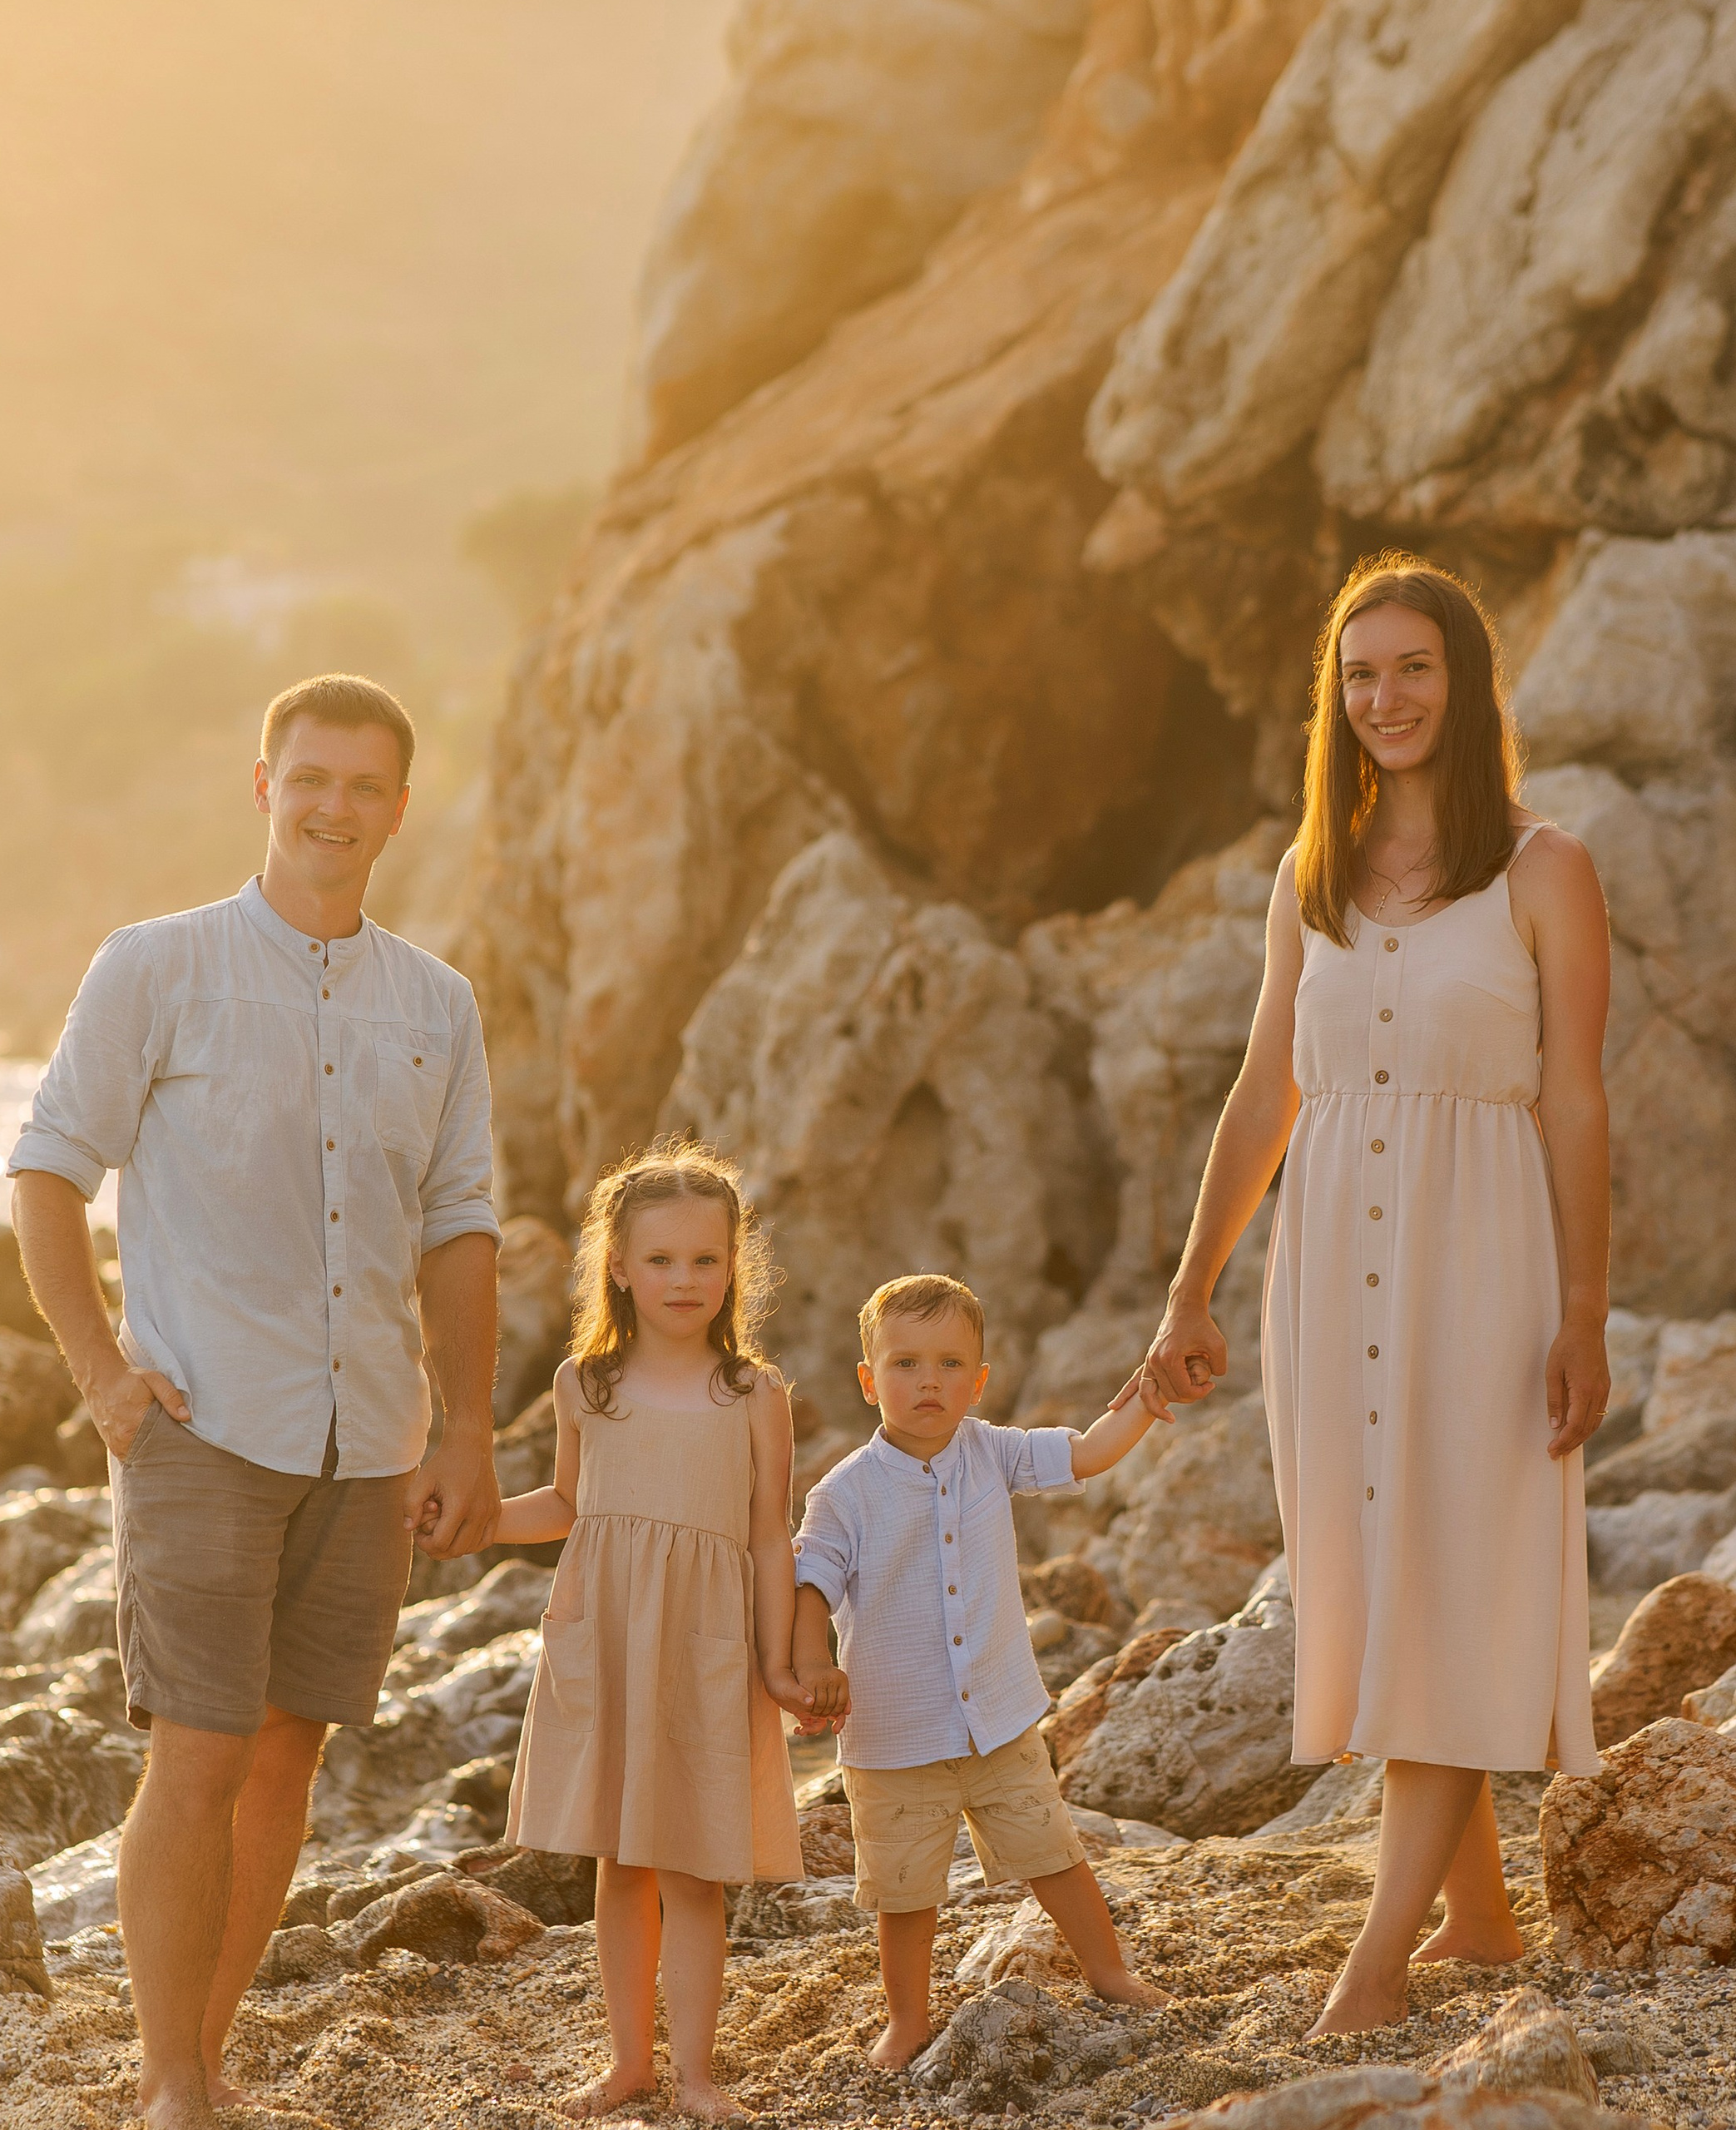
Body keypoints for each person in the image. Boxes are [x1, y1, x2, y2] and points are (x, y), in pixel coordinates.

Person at [8, 673, 503, 2130]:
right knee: (201, 1751)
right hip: (202, 1424)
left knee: (291, 1753)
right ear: (264, 785)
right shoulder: (156, 966)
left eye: (366, 787)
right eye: (312, 778)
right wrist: (102, 1375)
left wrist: (469, 1425)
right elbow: (46, 1170)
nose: (335, 807)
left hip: (371, 1435)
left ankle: (212, 2060)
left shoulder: (439, 1002)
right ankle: (170, 2086)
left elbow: (460, 1221)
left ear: (399, 811)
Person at [1125, 554, 1611, 2038]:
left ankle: (1377, 1969)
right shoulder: (1311, 874)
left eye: (1413, 668)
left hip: (1487, 1263)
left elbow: (1578, 1103)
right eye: (1359, 674)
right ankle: (1477, 1918)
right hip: (1330, 1266)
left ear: (1464, 688)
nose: (1385, 697)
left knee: (1457, 1573)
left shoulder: (1547, 870)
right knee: (1387, 1572)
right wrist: (1190, 1287)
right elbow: (1267, 1089)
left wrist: (1585, 1310)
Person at [494, 1141, 828, 2123]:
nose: (684, 1279)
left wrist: (775, 1657)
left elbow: (770, 1533)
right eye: (660, 1259)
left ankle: (696, 2074)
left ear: (734, 1268)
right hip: (607, 1635)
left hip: (705, 1644)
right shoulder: (583, 1384)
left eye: (705, 1259)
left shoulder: (753, 1393)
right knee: (621, 1859)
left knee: (691, 1865)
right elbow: (564, 1501)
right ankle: (627, 2063)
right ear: (618, 1267)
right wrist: (466, 1519)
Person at [790, 1273, 1171, 2070]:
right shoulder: (844, 1494)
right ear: (868, 1380)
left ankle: (1109, 1970)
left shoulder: (993, 1453)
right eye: (905, 1364)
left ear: (979, 1381)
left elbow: (1091, 1452)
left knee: (1054, 1852)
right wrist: (809, 1667)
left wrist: (1143, 1399)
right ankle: (907, 2018)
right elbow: (812, 1584)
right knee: (904, 1892)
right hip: (895, 1734)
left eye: (949, 1364)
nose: (928, 1381)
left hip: (998, 1717)